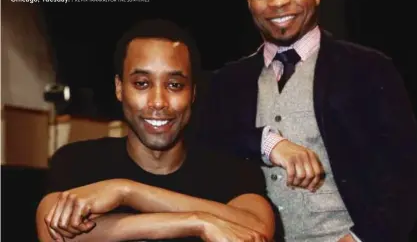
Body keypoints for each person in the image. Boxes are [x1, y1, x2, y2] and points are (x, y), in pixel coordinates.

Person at [198, 0, 417, 242]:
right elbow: (204, 147)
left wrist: (361, 239)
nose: (278, 2)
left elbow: (406, 172)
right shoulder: (227, 82)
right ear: (249, 3)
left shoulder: (368, 68)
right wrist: (268, 142)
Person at [35, 19, 275, 242]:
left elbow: (258, 230)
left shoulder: (231, 171)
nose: (158, 102)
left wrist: (126, 191)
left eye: (174, 85)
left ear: (192, 92)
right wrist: (197, 222)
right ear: (120, 88)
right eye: (142, 84)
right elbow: (52, 231)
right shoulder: (78, 162)